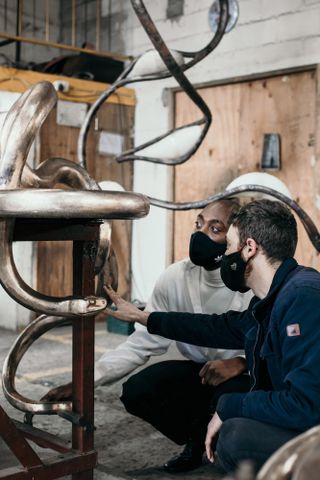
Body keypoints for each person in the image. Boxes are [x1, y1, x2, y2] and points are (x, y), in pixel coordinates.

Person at [104, 199, 320, 473]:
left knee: (235, 438)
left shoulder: (304, 298)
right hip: (306, 418)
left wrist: (230, 405)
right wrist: (144, 317)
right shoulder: (270, 300)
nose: (225, 254)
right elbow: (215, 328)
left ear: (249, 249)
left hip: (315, 427)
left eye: (229, 246)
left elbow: (307, 405)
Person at [44, 199, 252, 473]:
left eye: (215, 228)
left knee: (230, 408)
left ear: (235, 238)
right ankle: (197, 440)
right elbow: (143, 342)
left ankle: (228, 445)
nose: (200, 235)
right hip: (200, 372)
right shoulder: (175, 278)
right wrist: (88, 380)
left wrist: (241, 363)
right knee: (138, 391)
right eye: (198, 224)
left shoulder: (249, 282)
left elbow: (274, 344)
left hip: (246, 376)